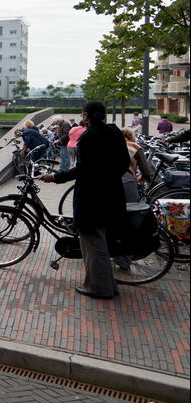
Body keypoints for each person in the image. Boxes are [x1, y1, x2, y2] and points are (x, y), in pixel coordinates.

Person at [41, 101, 129, 300]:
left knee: (93, 243)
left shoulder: (88, 137)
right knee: (102, 242)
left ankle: (99, 288)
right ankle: (109, 284)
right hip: (113, 193)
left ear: (86, 116)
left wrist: (56, 177)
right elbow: (123, 162)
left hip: (92, 197)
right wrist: (110, 178)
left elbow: (83, 169)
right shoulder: (114, 132)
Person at [120, 128, 153, 203]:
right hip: (127, 182)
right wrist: (139, 179)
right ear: (131, 137)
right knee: (130, 210)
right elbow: (147, 173)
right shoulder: (134, 147)